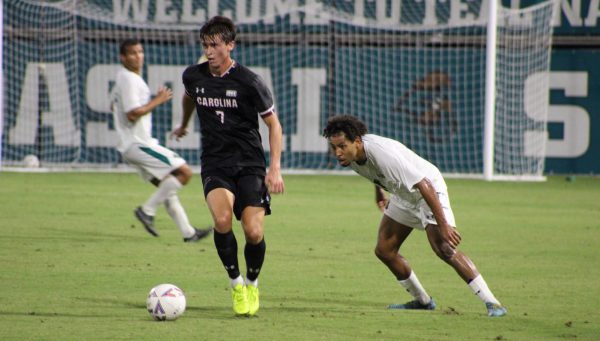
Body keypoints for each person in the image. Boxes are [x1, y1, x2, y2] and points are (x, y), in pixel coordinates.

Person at [322, 114, 507, 317]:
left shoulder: (382, 154)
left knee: (444, 248)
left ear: (357, 141)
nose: (337, 152)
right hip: (403, 194)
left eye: (341, 146)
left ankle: (493, 303)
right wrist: (379, 191)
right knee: (384, 250)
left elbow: (423, 184)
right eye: (333, 147)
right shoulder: (353, 156)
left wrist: (443, 224)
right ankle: (423, 301)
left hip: (427, 189)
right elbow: (375, 172)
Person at [171, 16, 285, 316]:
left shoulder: (249, 81)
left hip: (250, 164)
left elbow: (273, 125)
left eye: (215, 45)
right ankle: (236, 284)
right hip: (215, 163)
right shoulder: (193, 77)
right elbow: (189, 98)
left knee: (254, 232)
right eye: (205, 45)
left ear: (230, 45)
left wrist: (274, 167)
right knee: (222, 221)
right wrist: (183, 124)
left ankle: (252, 282)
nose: (209, 51)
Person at [111, 39, 212, 243]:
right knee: (184, 172)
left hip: (132, 144)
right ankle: (147, 211)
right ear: (122, 57)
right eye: (132, 53)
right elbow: (132, 114)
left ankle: (188, 233)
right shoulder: (129, 78)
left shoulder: (123, 78)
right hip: (138, 143)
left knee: (168, 186)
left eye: (140, 51)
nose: (137, 56)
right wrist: (158, 100)